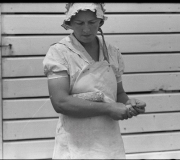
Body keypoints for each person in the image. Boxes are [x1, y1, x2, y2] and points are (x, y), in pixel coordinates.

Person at [43, 3, 146, 159]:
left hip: (109, 142)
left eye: (92, 22)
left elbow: (118, 93)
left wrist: (129, 104)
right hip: (76, 143)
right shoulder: (60, 52)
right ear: (69, 23)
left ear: (101, 21)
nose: (86, 29)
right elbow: (60, 102)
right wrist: (108, 109)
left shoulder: (112, 53)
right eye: (79, 23)